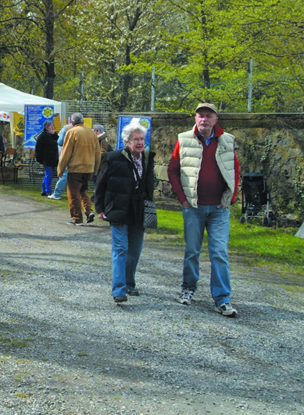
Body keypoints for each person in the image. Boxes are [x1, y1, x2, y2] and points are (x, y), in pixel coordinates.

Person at [168, 102, 241, 318]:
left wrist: (230, 197)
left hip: (219, 209)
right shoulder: (184, 139)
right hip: (194, 207)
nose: (204, 120)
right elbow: (173, 170)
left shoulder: (226, 140)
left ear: (216, 119)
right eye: (200, 116)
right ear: (195, 119)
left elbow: (235, 170)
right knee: (192, 251)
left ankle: (222, 299)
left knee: (219, 253)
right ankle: (188, 288)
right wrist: (183, 199)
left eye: (208, 116)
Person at [95, 123, 155, 303]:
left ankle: (129, 283)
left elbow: (149, 186)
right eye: (136, 139)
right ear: (126, 142)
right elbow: (101, 183)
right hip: (119, 209)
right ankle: (119, 290)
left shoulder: (147, 158)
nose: (140, 142)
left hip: (140, 210)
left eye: (142, 139)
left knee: (135, 250)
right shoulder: (113, 158)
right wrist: (100, 207)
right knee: (121, 249)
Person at [57, 113, 101, 225]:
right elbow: (97, 153)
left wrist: (60, 169)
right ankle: (89, 211)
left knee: (73, 194)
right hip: (89, 168)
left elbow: (66, 152)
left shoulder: (71, 132)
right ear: (83, 121)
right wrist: (95, 168)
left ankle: (76, 218)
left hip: (76, 168)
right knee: (83, 190)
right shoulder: (92, 133)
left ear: (71, 122)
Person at [47, 122, 73, 201]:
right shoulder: (82, 130)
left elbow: (59, 141)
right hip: (77, 156)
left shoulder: (66, 129)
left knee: (63, 174)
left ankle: (57, 193)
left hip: (66, 155)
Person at [34, 120, 59, 196]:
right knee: (49, 174)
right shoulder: (43, 136)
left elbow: (58, 140)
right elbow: (38, 148)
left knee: (49, 174)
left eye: (52, 125)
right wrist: (40, 158)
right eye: (50, 125)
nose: (52, 127)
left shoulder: (52, 135)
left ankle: (44, 189)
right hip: (47, 158)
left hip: (53, 158)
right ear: (46, 127)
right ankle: (48, 190)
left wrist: (54, 133)